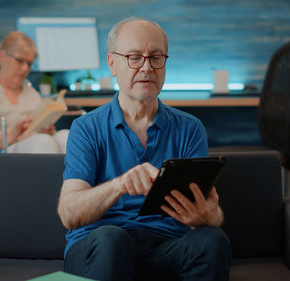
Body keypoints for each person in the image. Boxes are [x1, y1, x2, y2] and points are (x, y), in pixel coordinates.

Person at [57, 18, 231, 281]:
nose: (147, 67)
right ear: (112, 63)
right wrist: (118, 185)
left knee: (213, 239)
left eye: (156, 57)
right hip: (101, 246)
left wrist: (211, 217)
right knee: (113, 240)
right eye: (134, 57)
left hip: (164, 247)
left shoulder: (190, 128)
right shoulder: (86, 128)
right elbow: (69, 214)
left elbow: (211, 211)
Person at [0, 31, 68, 153]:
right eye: (20, 61)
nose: (25, 69)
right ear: (2, 57)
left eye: (29, 64)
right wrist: (10, 135)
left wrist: (48, 130)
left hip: (34, 146)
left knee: (67, 137)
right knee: (44, 142)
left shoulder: (32, 94)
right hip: (2, 153)